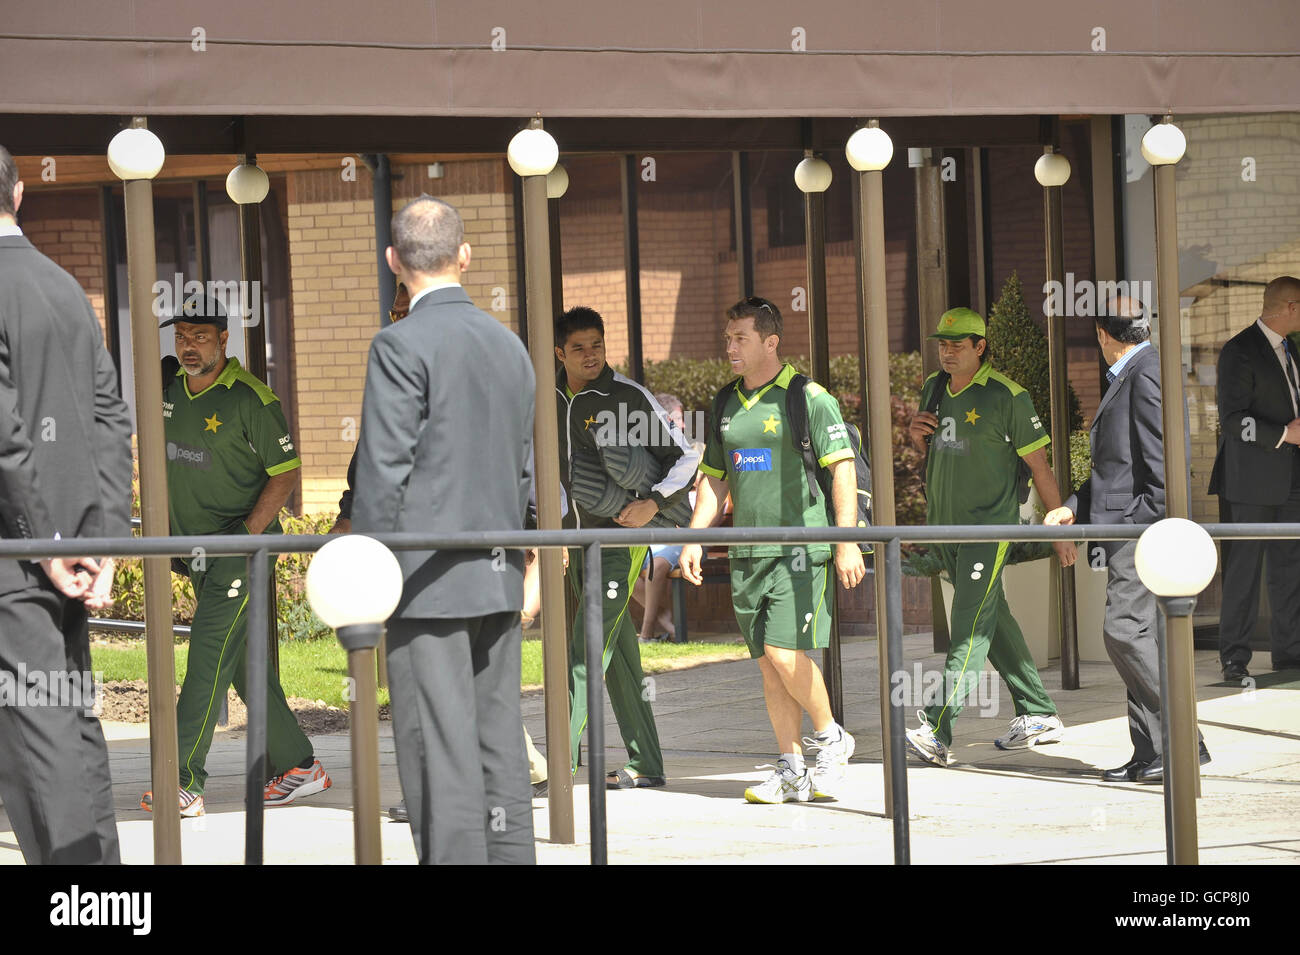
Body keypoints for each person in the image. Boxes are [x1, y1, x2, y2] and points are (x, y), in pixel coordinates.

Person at [353, 195, 536, 864]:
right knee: (498, 744)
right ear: (465, 256)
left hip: (425, 581)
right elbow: (526, 469)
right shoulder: (510, 345)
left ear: (393, 261)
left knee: (439, 755)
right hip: (500, 573)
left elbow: (383, 471)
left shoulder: (399, 343)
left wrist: (366, 583)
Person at [143, 292, 330, 817]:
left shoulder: (251, 399)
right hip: (193, 552)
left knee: (205, 658)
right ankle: (299, 766)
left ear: (225, 338)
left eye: (200, 336)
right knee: (246, 666)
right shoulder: (170, 387)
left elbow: (286, 474)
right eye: (180, 336)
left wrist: (248, 535)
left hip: (237, 553)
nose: (188, 346)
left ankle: (183, 780)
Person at [0, 145, 132, 864]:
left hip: (20, 553)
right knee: (73, 720)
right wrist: (105, 541)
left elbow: (5, 443)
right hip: (75, 545)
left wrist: (43, 544)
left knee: (38, 729)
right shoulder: (65, 287)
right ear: (19, 193)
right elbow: (112, 417)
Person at [680, 296, 861, 804]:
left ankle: (831, 738)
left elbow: (841, 466)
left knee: (785, 653)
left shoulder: (808, 397)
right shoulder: (725, 403)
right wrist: (695, 539)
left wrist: (846, 542)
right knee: (768, 664)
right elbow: (714, 481)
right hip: (746, 554)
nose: (730, 348)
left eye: (740, 338)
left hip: (800, 552)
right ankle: (791, 767)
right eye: (727, 338)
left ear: (770, 342)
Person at [1044, 296, 1209, 784]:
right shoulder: (1136, 372)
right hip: (1132, 527)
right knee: (1142, 638)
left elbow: (1160, 467)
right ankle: (1152, 752)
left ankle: (1186, 740)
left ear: (1102, 335)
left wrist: (1141, 528)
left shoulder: (1146, 373)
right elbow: (1117, 469)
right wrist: (1074, 507)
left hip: (1141, 532)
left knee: (1124, 632)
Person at [905, 307, 1073, 767]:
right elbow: (936, 453)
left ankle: (938, 729)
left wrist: (1058, 524)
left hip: (987, 530)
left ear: (981, 347)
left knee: (969, 628)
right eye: (943, 343)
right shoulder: (934, 388)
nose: (948, 351)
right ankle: (1038, 712)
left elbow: (1040, 466)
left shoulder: (1009, 397)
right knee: (990, 617)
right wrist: (917, 437)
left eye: (959, 344)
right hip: (945, 528)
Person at [554, 307, 696, 790]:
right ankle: (647, 763)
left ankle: (558, 763)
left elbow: (685, 458)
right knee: (616, 653)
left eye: (597, 344)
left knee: (585, 645)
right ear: (560, 353)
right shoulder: (546, 399)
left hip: (618, 539)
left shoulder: (628, 397)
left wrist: (653, 505)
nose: (590, 354)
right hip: (571, 540)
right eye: (578, 347)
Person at [1209, 276, 1300, 682]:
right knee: (1244, 571)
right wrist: (1285, 434)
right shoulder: (1239, 350)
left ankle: (1290, 652)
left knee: (1290, 567)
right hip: (1248, 482)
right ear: (1291, 307)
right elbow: (1231, 420)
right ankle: (1234, 658)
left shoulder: (1290, 349)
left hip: (1291, 478)